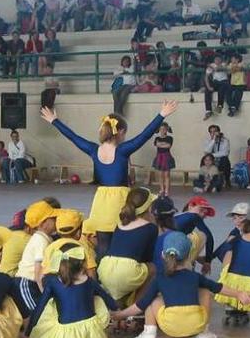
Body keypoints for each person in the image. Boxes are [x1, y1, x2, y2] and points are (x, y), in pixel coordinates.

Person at [42, 100, 178, 258]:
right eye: (124, 133)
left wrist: (54, 121)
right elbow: (145, 135)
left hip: (101, 201)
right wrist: (161, 115)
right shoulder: (122, 151)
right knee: (122, 240)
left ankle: (102, 273)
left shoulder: (93, 150)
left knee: (103, 244)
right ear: (119, 132)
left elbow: (73, 137)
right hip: (119, 200)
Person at [117, 231, 250, 338]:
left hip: (169, 326)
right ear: (188, 257)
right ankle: (204, 336)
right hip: (196, 324)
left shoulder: (159, 278)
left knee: (154, 300)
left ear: (163, 255)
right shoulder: (194, 276)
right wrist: (238, 294)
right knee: (205, 292)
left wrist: (120, 314)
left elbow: (141, 304)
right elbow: (218, 288)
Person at [25, 242, 117, 338]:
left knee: (50, 306)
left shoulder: (53, 282)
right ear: (83, 263)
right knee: (98, 300)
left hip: (65, 330)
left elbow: (40, 308)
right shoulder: (90, 281)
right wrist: (118, 310)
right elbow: (108, 299)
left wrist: (28, 331)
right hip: (91, 328)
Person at [97, 187, 158, 305]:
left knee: (134, 273)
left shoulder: (120, 224)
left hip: (105, 268)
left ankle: (120, 304)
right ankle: (137, 306)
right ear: (149, 208)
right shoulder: (151, 228)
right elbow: (148, 258)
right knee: (152, 269)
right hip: (126, 271)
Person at [13, 200, 59, 319]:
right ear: (44, 223)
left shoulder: (45, 238)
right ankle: (28, 335)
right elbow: (38, 271)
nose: (57, 220)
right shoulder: (40, 240)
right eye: (54, 218)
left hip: (35, 282)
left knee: (41, 313)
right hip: (27, 282)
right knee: (35, 314)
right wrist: (45, 293)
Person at [204, 125, 231, 189]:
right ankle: (204, 179)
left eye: (215, 131)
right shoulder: (208, 141)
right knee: (204, 159)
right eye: (211, 132)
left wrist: (211, 155)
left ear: (218, 132)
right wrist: (213, 140)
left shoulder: (225, 140)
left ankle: (226, 180)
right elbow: (206, 151)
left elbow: (225, 153)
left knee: (225, 160)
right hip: (212, 161)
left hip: (221, 160)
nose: (213, 133)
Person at [152, 122, 174, 197]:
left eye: (164, 129)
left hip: (166, 156)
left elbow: (168, 146)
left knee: (167, 175)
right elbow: (157, 144)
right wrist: (163, 144)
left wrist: (161, 144)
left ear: (166, 130)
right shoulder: (157, 138)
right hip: (159, 157)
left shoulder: (169, 138)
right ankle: (162, 189)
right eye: (161, 129)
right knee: (160, 175)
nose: (162, 131)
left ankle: (167, 190)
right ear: (159, 130)